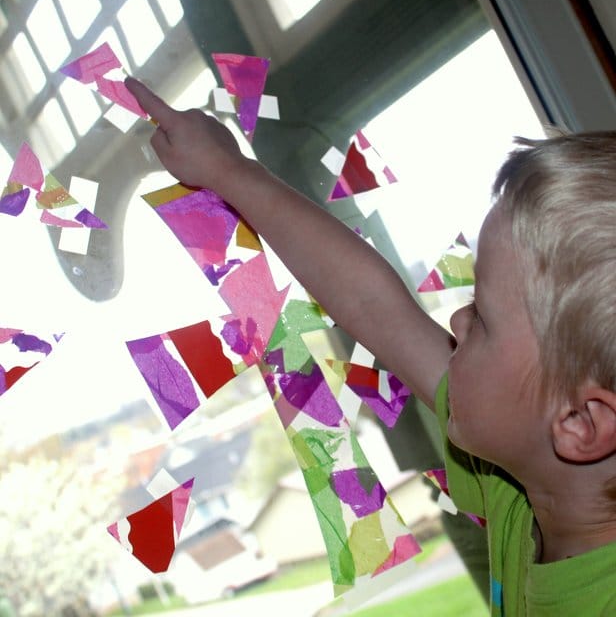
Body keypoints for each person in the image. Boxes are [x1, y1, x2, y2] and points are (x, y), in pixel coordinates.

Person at [125, 77, 616, 615]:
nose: (457, 317)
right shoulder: (522, 486)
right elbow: (377, 311)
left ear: (580, 423)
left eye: (484, 318)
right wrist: (226, 170)